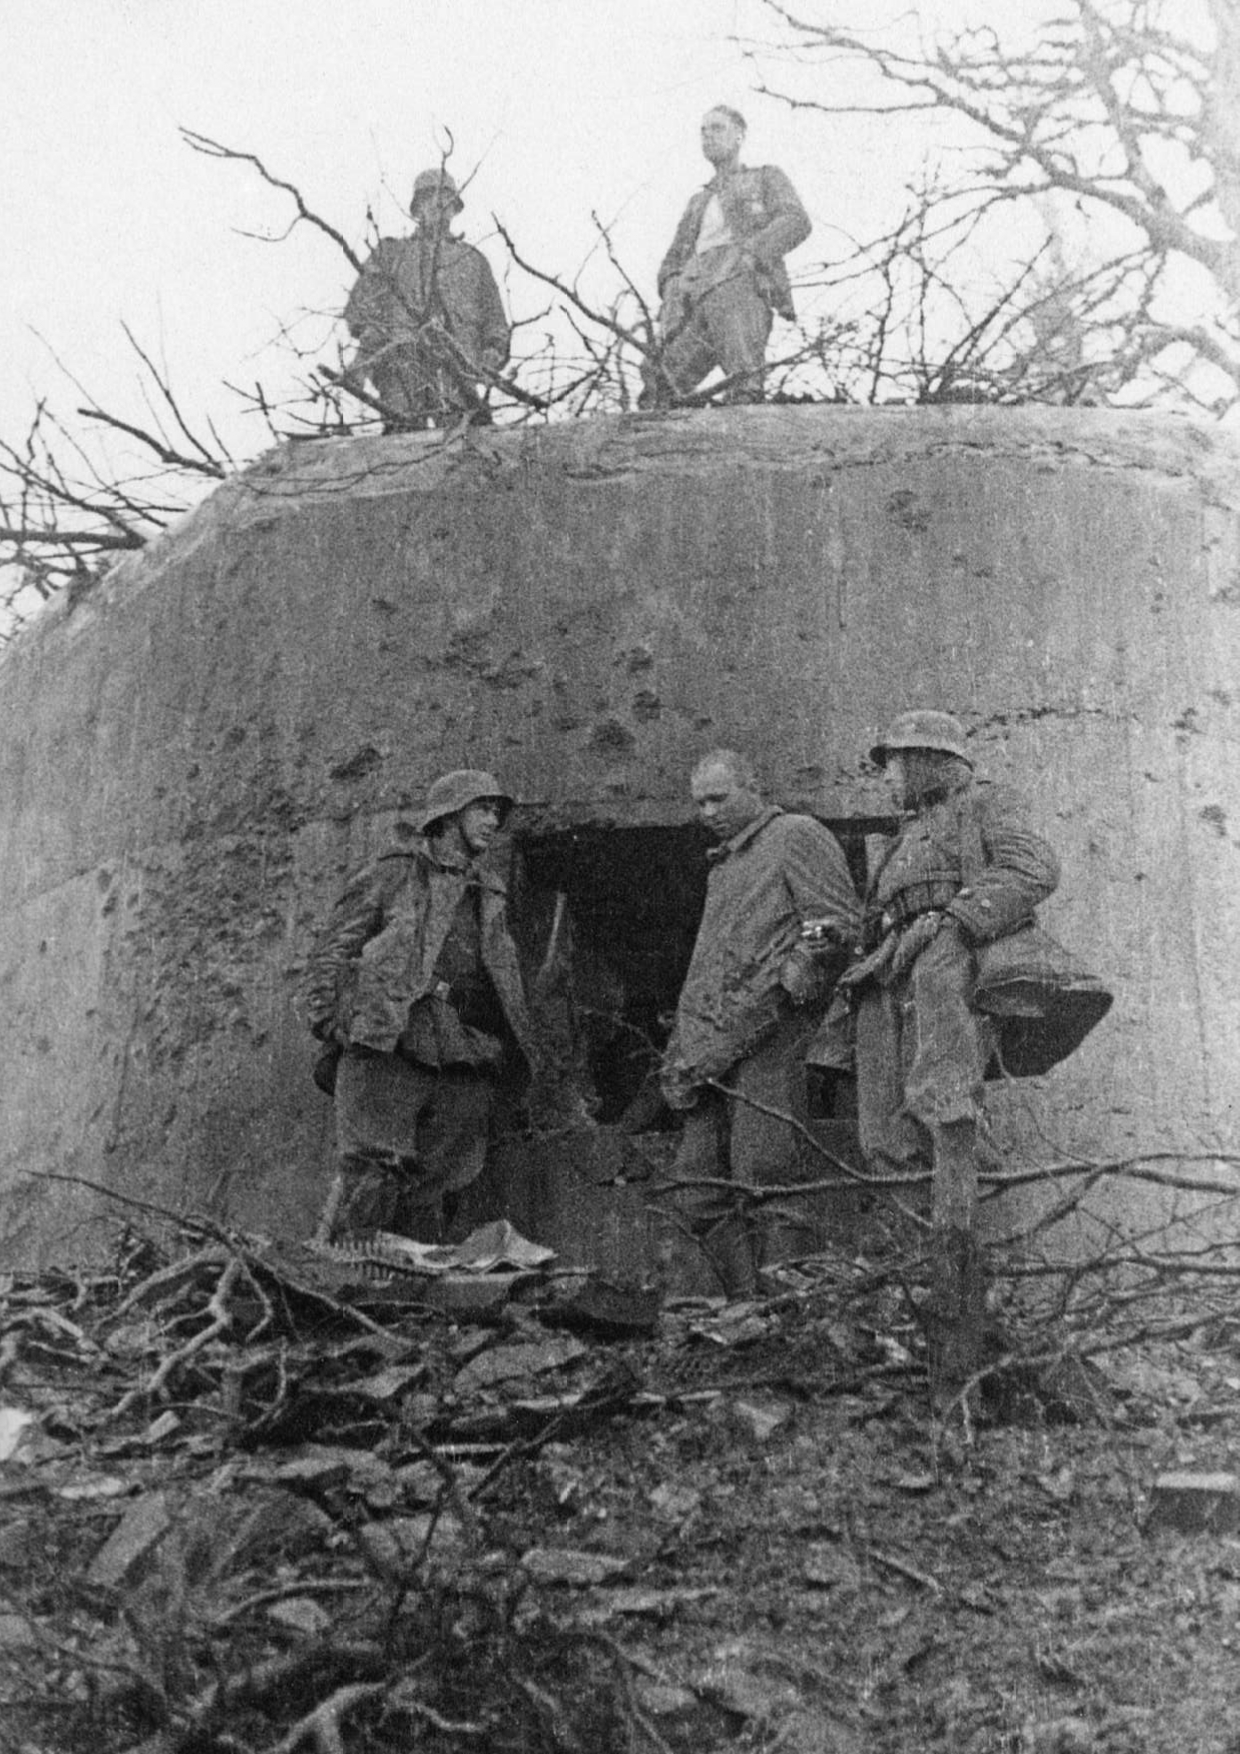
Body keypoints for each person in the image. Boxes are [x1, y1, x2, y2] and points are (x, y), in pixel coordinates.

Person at [839, 710, 1061, 1222]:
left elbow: (1035, 867)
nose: (887, 778)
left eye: (893, 764)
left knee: (944, 1105)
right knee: (882, 1134)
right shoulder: (902, 837)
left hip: (945, 964)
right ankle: (916, 1255)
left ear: (927, 761)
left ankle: (959, 1247)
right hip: (889, 972)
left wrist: (957, 923)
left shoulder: (982, 804)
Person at [303, 769, 541, 1243]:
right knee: (373, 1169)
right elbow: (333, 950)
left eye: (497, 812)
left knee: (446, 1173)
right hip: (389, 1034)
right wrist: (334, 1023)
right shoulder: (394, 873)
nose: (493, 821)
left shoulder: (490, 890)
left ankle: (413, 1291)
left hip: (458, 1041)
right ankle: (348, 1282)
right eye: (482, 809)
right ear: (449, 815)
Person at [660, 750, 859, 1295]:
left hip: (774, 1032)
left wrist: (786, 989)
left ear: (754, 787)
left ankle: (787, 1311)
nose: (707, 812)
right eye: (699, 802)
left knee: (767, 1173)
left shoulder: (796, 834)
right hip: (712, 1044)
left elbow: (836, 927)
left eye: (718, 799)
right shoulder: (725, 864)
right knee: (697, 1189)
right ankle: (739, 1309)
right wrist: (687, 1042)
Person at [641, 106, 811, 408]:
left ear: (739, 136)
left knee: (744, 383)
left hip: (739, 283)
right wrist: (673, 288)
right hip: (694, 294)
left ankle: (746, 417)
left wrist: (750, 255)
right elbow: (671, 261)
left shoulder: (764, 177)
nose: (707, 136)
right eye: (703, 130)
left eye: (717, 128)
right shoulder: (698, 201)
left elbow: (795, 220)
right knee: (660, 384)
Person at [343, 168, 510, 429]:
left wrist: (491, 354)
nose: (439, 205)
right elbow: (363, 312)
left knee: (463, 449)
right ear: (417, 207)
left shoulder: (473, 261)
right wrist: (362, 362)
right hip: (400, 366)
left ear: (455, 209)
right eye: (430, 198)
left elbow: (495, 321)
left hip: (457, 372)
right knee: (402, 442)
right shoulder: (391, 254)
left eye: (446, 200)